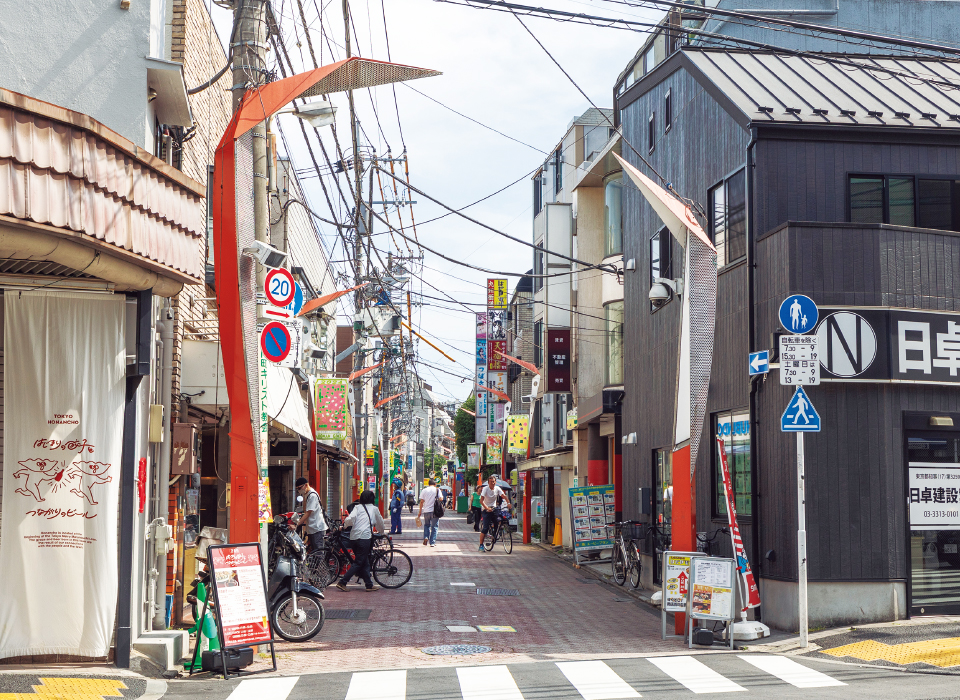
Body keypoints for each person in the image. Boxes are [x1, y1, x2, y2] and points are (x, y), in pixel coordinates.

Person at [335, 490, 383, 592]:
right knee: (358, 562)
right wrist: (382, 532)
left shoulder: (357, 507)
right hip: (365, 538)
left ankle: (369, 585)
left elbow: (350, 519)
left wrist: (344, 526)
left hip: (354, 538)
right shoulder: (374, 509)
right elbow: (380, 522)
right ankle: (343, 582)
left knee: (364, 561)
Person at [478, 474, 512, 552]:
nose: (492, 483)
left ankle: (494, 535)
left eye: (493, 482)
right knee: (485, 528)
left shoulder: (497, 488)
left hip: (494, 508)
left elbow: (504, 496)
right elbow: (481, 501)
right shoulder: (485, 489)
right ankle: (481, 545)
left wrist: (508, 503)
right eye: (490, 482)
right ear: (488, 483)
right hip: (486, 509)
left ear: (495, 482)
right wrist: (487, 508)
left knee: (497, 522)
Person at [291, 477, 326, 552]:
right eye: (297, 489)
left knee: (318, 552)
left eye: (300, 487)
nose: (299, 490)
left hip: (317, 527)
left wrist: (297, 524)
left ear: (306, 485)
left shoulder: (312, 495)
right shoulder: (307, 495)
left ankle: (321, 564)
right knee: (314, 551)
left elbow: (308, 513)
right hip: (313, 528)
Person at [418, 478, 441, 547]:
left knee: (426, 525)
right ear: (435, 484)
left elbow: (421, 501)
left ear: (428, 484)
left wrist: (420, 511)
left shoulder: (424, 490)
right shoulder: (437, 490)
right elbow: (441, 498)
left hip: (426, 511)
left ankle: (426, 537)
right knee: (434, 527)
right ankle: (432, 542)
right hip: (434, 512)